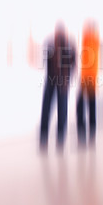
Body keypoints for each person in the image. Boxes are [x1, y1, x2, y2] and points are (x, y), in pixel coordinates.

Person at [40, 23, 76, 152]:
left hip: (63, 82)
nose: (59, 34)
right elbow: (46, 60)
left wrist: (68, 79)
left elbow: (73, 63)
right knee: (47, 109)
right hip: (51, 80)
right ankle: (44, 139)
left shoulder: (69, 44)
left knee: (62, 110)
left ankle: (60, 140)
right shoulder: (50, 42)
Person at [76, 21, 100, 148]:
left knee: (84, 107)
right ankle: (89, 136)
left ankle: (86, 135)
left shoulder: (91, 39)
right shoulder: (91, 39)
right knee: (89, 107)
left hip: (88, 78)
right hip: (88, 78)